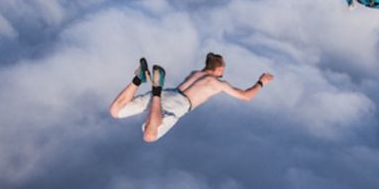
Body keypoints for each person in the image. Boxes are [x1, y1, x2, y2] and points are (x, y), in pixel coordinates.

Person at [109, 53, 274, 143]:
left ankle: (138, 79)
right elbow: (246, 96)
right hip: (178, 104)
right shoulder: (216, 83)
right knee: (149, 136)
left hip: (170, 92)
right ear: (220, 69)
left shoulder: (195, 73)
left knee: (116, 111)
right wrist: (261, 82)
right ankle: (156, 89)